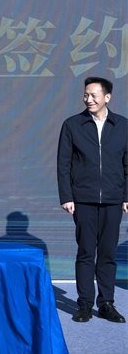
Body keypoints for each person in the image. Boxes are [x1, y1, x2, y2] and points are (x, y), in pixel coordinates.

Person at [57, 76, 128, 323]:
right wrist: (67, 196)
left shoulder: (123, 125)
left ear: (107, 97)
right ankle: (85, 304)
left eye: (94, 95)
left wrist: (126, 196)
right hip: (83, 199)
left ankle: (106, 303)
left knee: (107, 253)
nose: (88, 99)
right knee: (86, 252)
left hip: (113, 199)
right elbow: (63, 164)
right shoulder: (72, 125)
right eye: (86, 95)